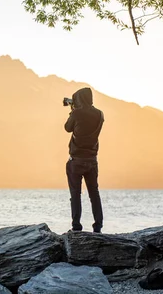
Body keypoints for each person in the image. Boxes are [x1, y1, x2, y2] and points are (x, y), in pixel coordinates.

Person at [64, 87, 104, 233]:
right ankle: (98, 227)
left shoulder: (77, 113)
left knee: (75, 194)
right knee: (94, 194)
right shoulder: (100, 114)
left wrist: (72, 110)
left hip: (76, 160)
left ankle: (76, 227)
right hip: (92, 160)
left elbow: (68, 128)